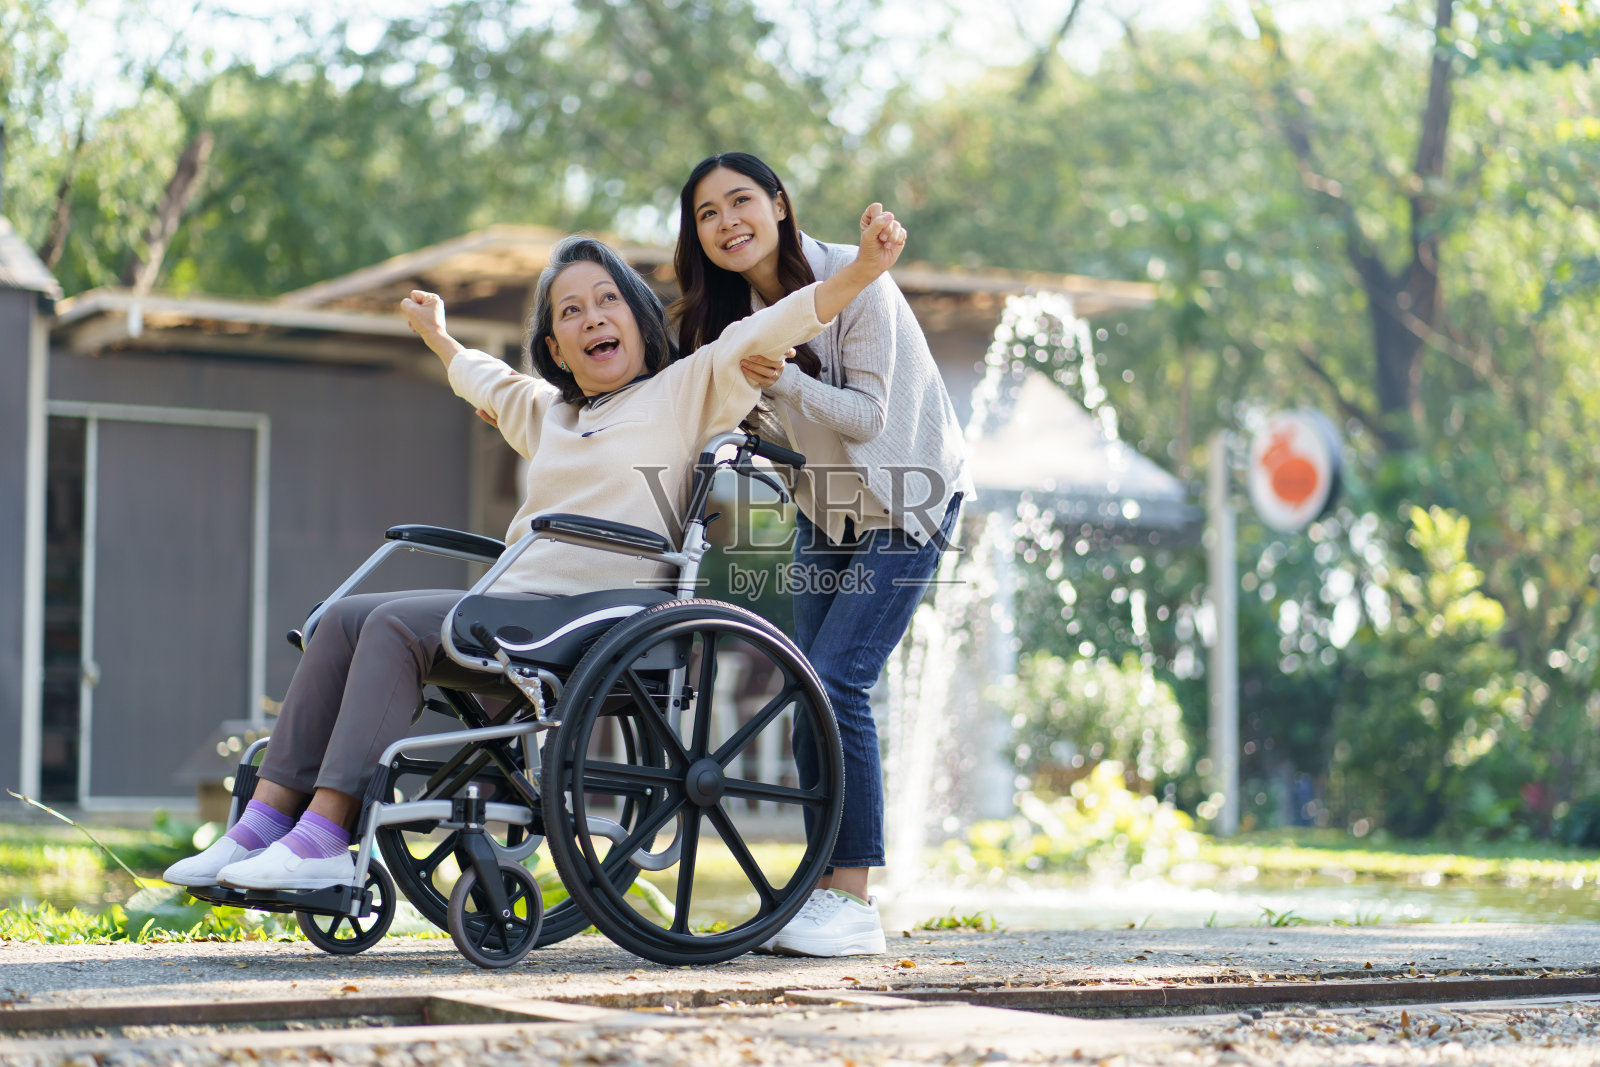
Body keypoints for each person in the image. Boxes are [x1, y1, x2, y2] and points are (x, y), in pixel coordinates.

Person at [163, 212, 907, 893]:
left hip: (600, 619)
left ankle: (324, 836)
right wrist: (439, 335)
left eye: (606, 301)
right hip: (519, 609)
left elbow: (766, 328)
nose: (592, 320)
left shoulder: (687, 391)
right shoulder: (554, 413)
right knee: (345, 618)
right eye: (571, 312)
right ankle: (259, 828)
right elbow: (487, 379)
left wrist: (862, 271)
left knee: (391, 624)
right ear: (556, 347)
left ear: (643, 323)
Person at [674, 152, 972, 957]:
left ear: (779, 204)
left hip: (910, 500)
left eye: (741, 201)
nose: (727, 222)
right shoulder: (733, 317)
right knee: (808, 686)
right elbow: (763, 428)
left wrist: (788, 383)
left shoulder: (855, 277)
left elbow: (870, 417)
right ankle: (820, 888)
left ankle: (853, 899)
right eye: (708, 214)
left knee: (840, 678)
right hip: (830, 511)